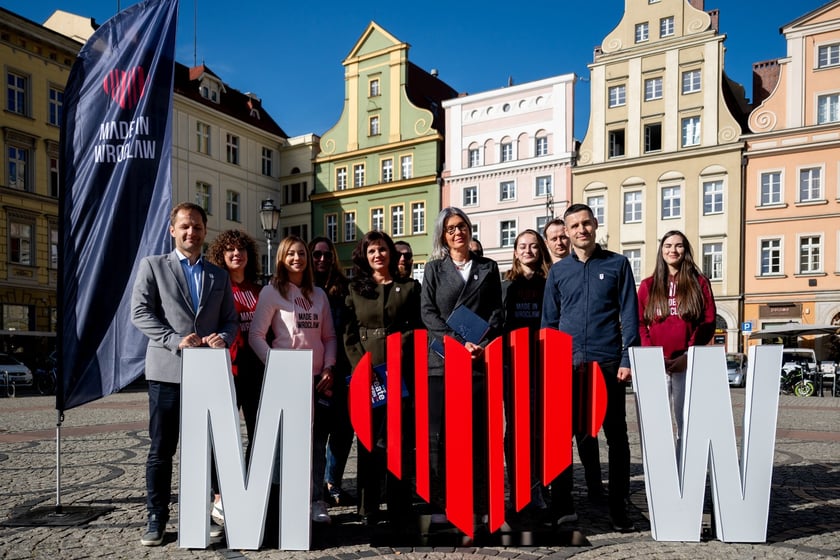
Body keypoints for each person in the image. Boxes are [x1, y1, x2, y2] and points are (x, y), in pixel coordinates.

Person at [131, 202, 238, 546]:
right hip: (166, 371)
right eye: (185, 226)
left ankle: (202, 515)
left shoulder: (218, 275)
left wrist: (225, 336)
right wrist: (174, 341)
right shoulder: (153, 266)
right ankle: (156, 517)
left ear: (206, 231)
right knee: (162, 448)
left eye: (197, 227)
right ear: (172, 230)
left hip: (206, 373)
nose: (192, 232)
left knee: (204, 449)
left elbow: (231, 320)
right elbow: (139, 312)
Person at [541, 203, 639, 532]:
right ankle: (563, 507)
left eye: (586, 223)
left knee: (617, 438)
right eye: (574, 226)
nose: (581, 230)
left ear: (595, 225)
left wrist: (627, 358)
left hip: (608, 364)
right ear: (566, 233)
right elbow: (549, 323)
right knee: (561, 439)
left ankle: (618, 506)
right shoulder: (558, 272)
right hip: (567, 367)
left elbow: (629, 315)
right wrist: (548, 365)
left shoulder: (617, 264)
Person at [420, 207, 503, 529]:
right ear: (443, 235)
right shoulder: (434, 269)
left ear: (470, 230)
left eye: (463, 226)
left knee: (480, 436)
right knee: (442, 437)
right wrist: (457, 341)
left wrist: (478, 341)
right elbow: (428, 313)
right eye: (451, 228)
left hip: (479, 360)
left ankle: (479, 503)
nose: (458, 233)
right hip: (443, 361)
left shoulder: (488, 267)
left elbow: (497, 311)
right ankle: (444, 503)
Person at [249, 235, 337, 525]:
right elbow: (256, 337)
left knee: (316, 444)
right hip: (287, 378)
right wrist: (277, 366)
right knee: (286, 444)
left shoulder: (319, 295)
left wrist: (328, 366)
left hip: (317, 378)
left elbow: (329, 337)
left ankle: (315, 500)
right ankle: (285, 501)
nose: (297, 258)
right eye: (291, 254)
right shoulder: (271, 291)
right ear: (282, 259)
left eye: (301, 253)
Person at [344, 230, 423, 533]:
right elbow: (349, 333)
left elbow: (417, 328)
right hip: (368, 373)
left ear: (391, 253)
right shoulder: (355, 289)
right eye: (371, 251)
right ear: (364, 256)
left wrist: (401, 350)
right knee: (368, 443)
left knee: (399, 442)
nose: (378, 255)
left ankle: (400, 504)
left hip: (400, 373)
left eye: (382, 250)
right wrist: (361, 367)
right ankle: (369, 506)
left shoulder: (409, 287)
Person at [543, 216, 605, 502]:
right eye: (553, 238)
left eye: (562, 236)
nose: (560, 241)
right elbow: (550, 320)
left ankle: (594, 487)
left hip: (589, 357)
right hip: (560, 360)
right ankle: (559, 491)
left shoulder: (588, 267)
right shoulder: (550, 273)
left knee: (586, 430)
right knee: (559, 431)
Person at [637, 230, 716, 455]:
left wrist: (688, 355)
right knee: (657, 424)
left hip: (686, 363)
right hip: (657, 364)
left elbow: (707, 322)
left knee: (686, 421)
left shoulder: (699, 283)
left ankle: (684, 469)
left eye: (679, 246)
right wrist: (652, 356)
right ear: (661, 251)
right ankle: (663, 471)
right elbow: (640, 324)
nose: (673, 250)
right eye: (668, 246)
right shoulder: (648, 285)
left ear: (686, 250)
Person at [205, 229, 263, 524]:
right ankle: (218, 493)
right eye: (229, 250)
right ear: (221, 255)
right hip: (228, 370)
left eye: (241, 249)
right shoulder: (217, 288)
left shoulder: (259, 290)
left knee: (258, 432)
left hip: (256, 371)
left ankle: (251, 484)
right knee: (224, 434)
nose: (236, 254)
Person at [500, 229, 551, 523]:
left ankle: (538, 486)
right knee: (516, 429)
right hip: (513, 364)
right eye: (523, 246)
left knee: (540, 429)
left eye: (533, 245)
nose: (528, 250)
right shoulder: (506, 285)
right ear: (516, 252)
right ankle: (519, 488)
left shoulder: (550, 282)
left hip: (544, 361)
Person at [309, 236, 353, 506]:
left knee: (344, 430)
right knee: (319, 430)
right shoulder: (303, 288)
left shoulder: (343, 288)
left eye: (327, 254)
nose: (322, 259)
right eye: (317, 254)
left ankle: (332, 481)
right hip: (316, 370)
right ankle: (318, 485)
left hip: (343, 367)